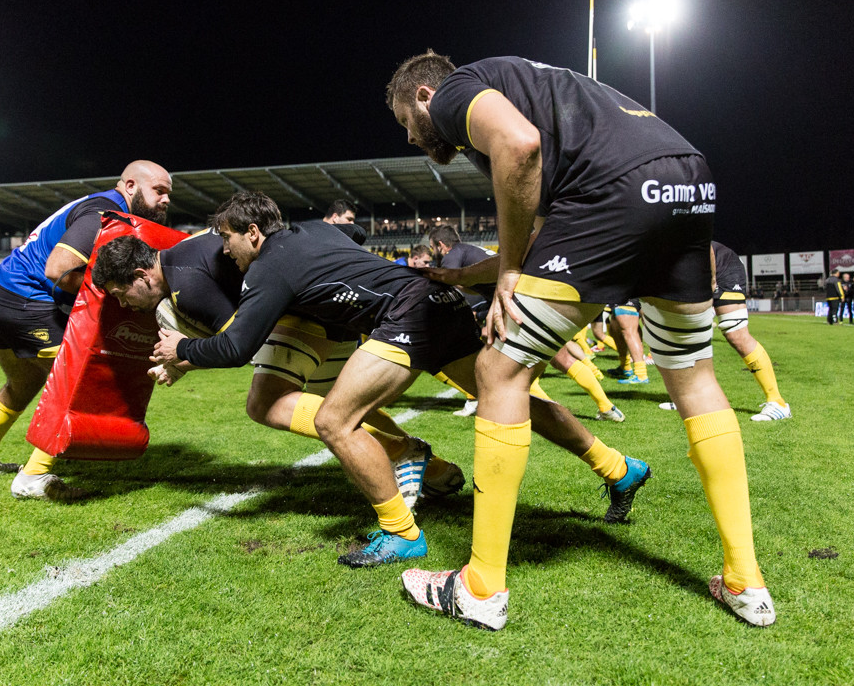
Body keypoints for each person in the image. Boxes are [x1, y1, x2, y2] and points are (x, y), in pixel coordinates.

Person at [387, 51, 773, 629]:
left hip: (614, 192)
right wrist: (473, 275)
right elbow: (548, 223)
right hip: (686, 178)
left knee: (498, 372)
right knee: (695, 378)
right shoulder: (537, 90)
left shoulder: (452, 92)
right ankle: (746, 582)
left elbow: (518, 146)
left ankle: (480, 587)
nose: (414, 138)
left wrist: (511, 271)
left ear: (421, 96)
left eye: (405, 123)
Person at [149, 192, 650, 576]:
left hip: (405, 315)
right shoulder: (315, 231)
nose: (225, 249)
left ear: (252, 232)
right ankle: (618, 467)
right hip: (433, 303)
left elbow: (236, 349)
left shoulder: (267, 268)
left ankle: (400, 532)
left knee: (334, 420)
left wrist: (182, 350)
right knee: (509, 396)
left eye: (228, 238)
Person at [90, 226, 465, 506]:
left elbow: (235, 347)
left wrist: (182, 359)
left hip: (306, 314)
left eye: (122, 294)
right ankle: (433, 469)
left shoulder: (185, 286)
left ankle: (403, 453)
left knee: (266, 401)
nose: (124, 305)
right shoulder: (183, 254)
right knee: (340, 402)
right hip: (330, 307)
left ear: (141, 276)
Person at [0, 160, 173, 500]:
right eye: (159, 190)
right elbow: (59, 268)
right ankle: (33, 477)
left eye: (168, 194)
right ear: (130, 186)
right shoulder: (105, 211)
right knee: (80, 382)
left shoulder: (101, 206)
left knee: (24, 383)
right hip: (23, 297)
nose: (166, 200)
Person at [711, 242, 792, 421]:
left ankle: (777, 402)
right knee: (687, 333)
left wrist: (710, 281)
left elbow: (700, 242)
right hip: (690, 270)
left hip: (719, 265)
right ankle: (691, 395)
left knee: (736, 334)